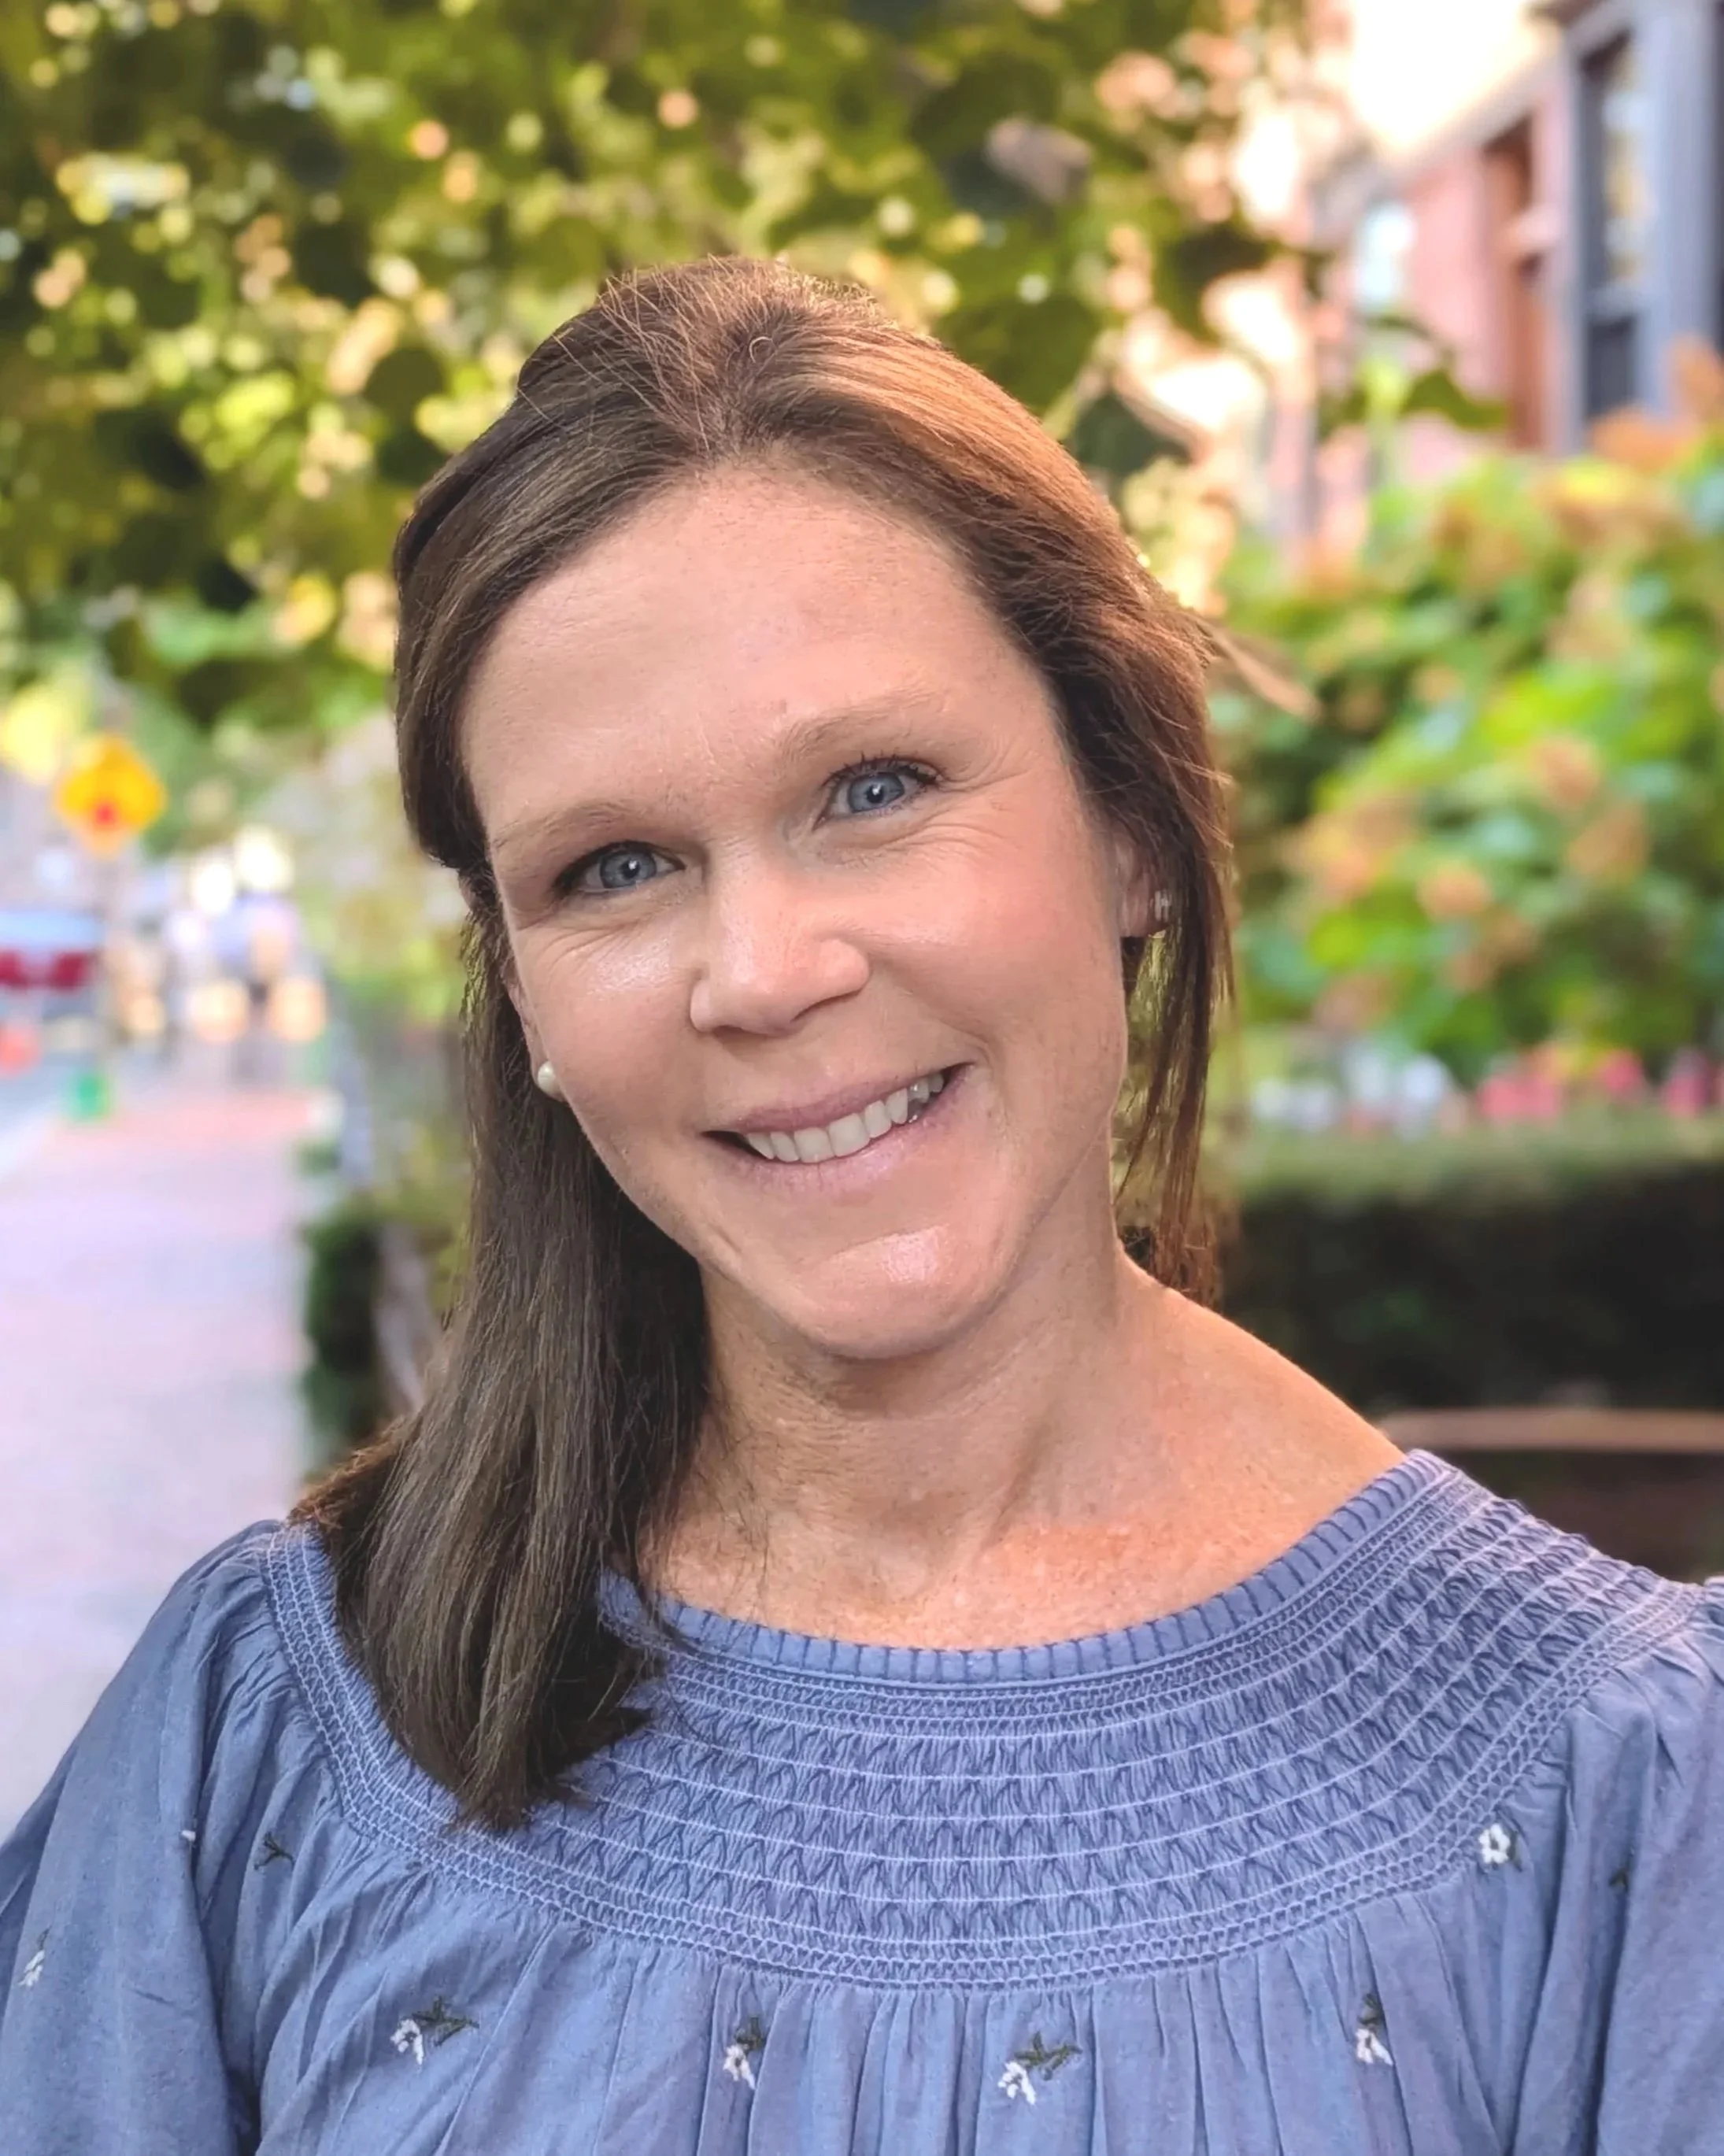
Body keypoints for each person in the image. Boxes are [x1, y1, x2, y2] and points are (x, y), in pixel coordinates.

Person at [2, 257, 1719, 2154]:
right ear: (529, 1001)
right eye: (614, 868)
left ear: (1132, 826)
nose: (761, 971)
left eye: (873, 787)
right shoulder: (279, 1725)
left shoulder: (1618, 1796)